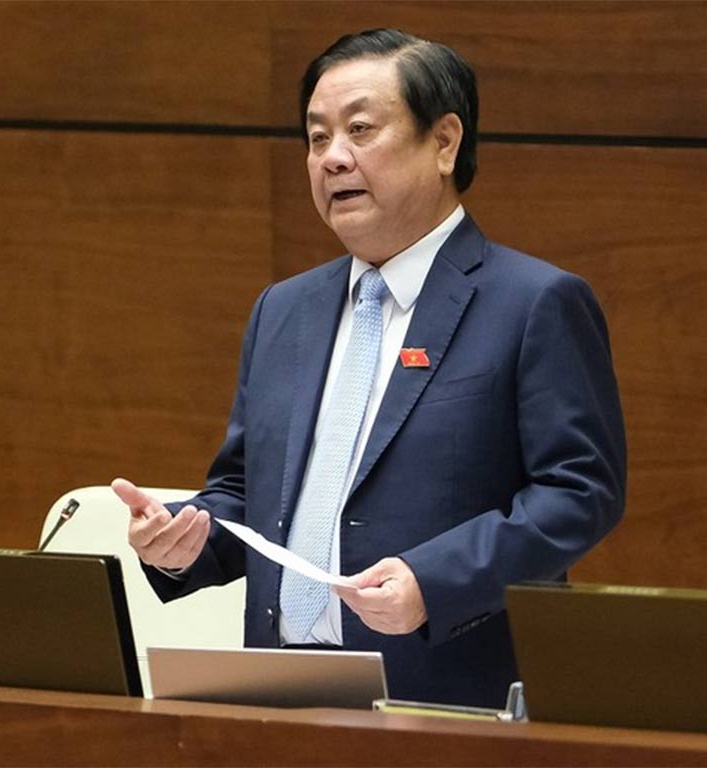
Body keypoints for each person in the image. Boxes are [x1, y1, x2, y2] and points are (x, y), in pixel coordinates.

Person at [112, 28, 626, 708]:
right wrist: (184, 537)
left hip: (444, 698)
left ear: (444, 143)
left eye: (359, 130)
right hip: (276, 694)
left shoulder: (533, 303)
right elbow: (244, 491)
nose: (332, 158)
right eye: (317, 137)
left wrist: (433, 581)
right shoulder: (283, 310)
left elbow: (580, 492)